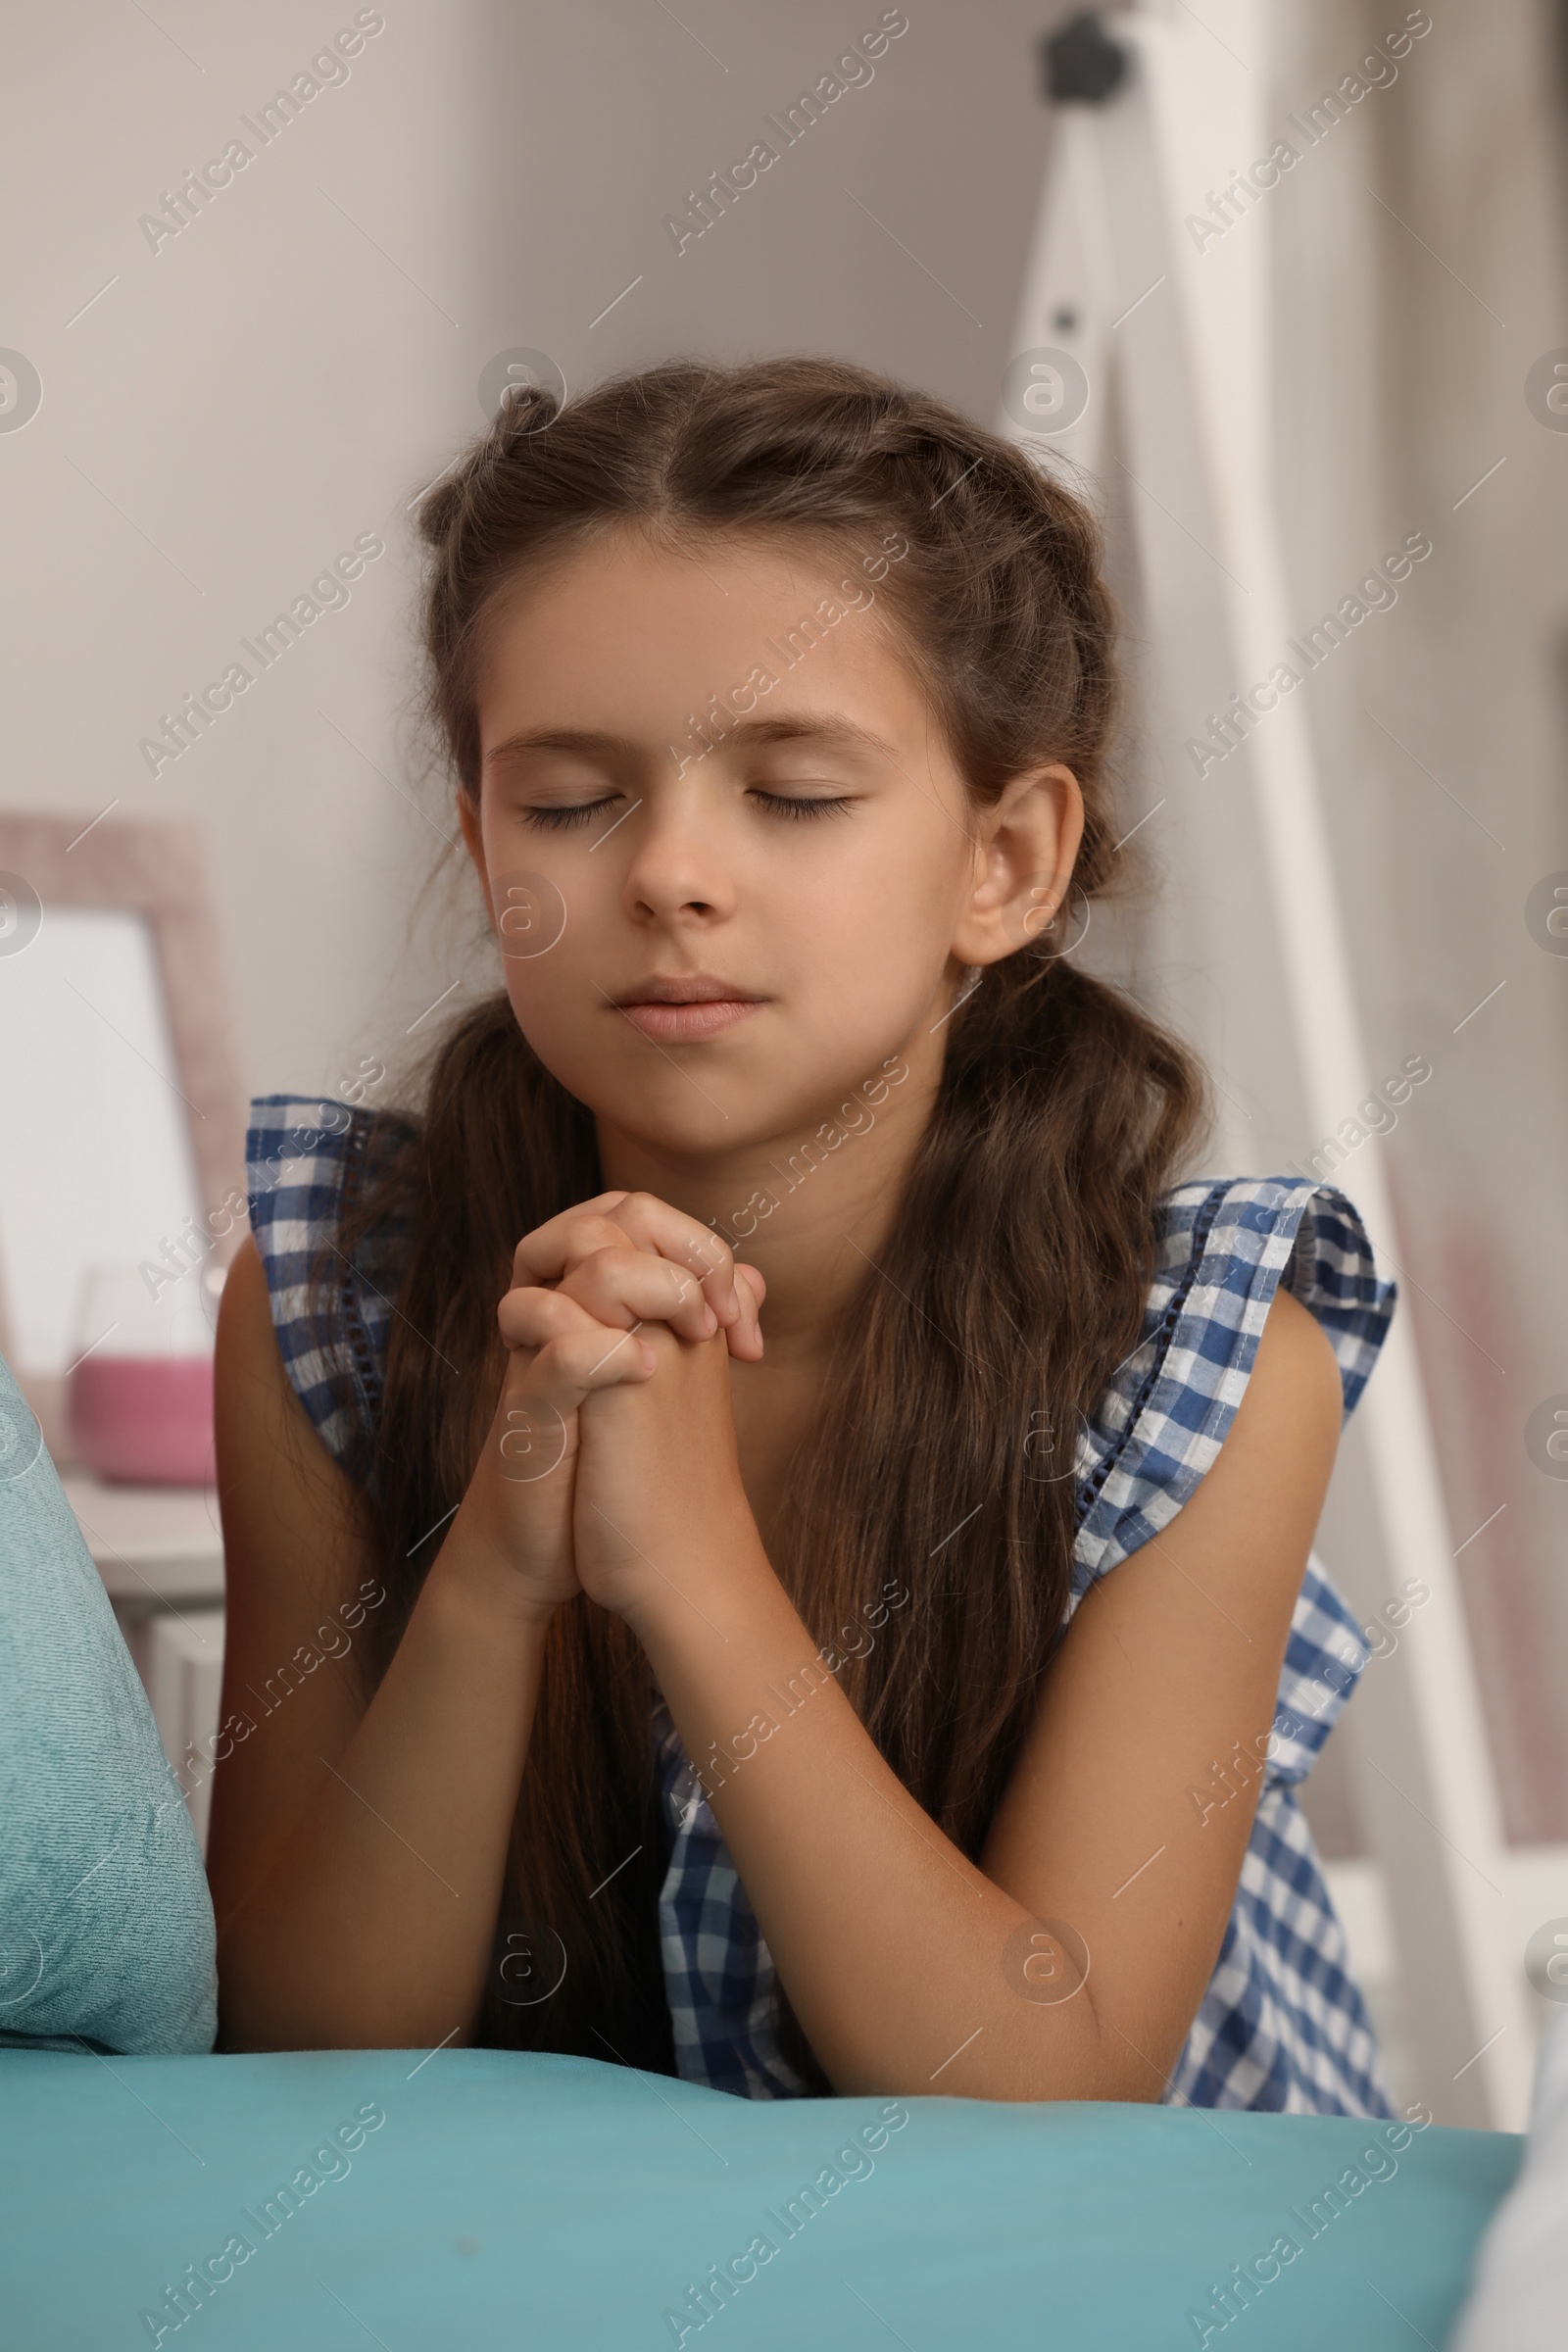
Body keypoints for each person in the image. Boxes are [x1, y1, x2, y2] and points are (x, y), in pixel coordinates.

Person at [207, 356, 1394, 2112]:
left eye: (796, 795)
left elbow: (1049, 2102)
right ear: (480, 849)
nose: (672, 874)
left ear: (1006, 860)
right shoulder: (331, 1287)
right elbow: (296, 2047)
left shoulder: (1201, 1355)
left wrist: (696, 1574)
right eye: (568, 800)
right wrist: (498, 1572)